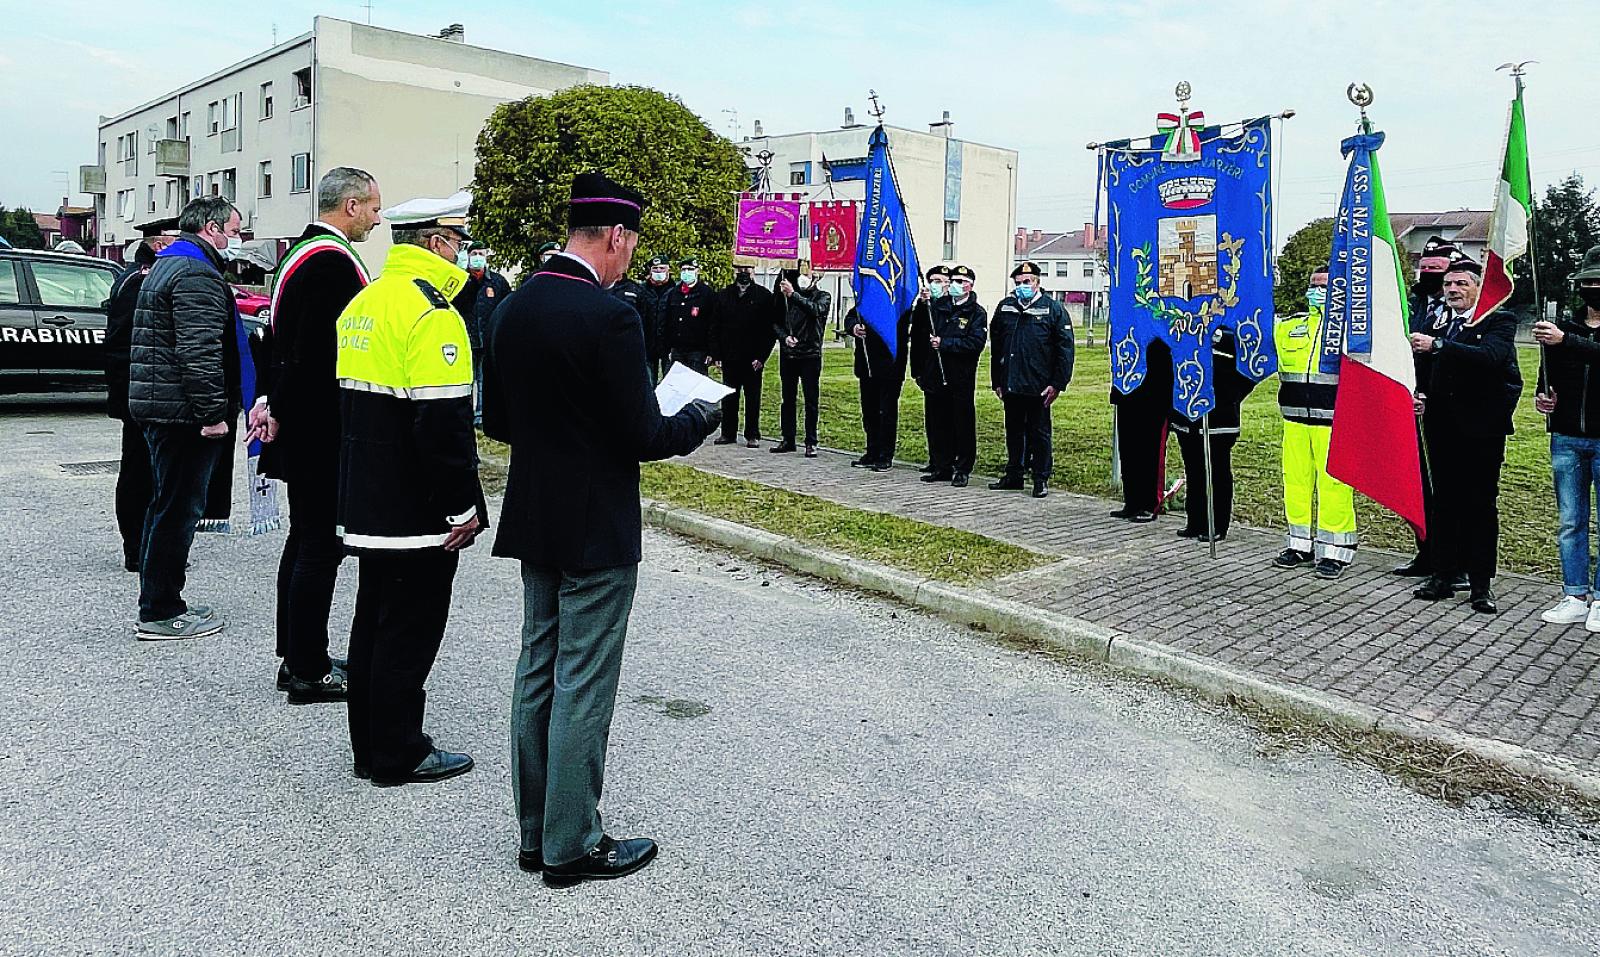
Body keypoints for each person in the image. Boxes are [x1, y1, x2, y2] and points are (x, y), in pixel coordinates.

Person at [482, 172, 722, 887]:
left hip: (536, 510)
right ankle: (572, 843)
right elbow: (644, 432)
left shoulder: (514, 306)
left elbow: (496, 421)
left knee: (537, 670)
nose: (631, 258)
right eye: (632, 244)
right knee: (582, 679)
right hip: (596, 520)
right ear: (615, 236)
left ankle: (534, 832)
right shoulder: (611, 316)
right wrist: (699, 418)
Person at [335, 193, 487, 786]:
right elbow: (443, 426)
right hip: (416, 507)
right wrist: (462, 507)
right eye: (456, 239)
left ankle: (369, 747)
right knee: (410, 630)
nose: (462, 250)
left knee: (372, 620)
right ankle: (399, 751)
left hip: (367, 496)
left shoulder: (366, 301)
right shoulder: (433, 313)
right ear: (433, 243)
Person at [251, 167, 380, 702]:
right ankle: (307, 666)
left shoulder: (300, 254)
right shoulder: (330, 264)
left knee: (304, 541)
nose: (377, 217)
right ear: (349, 206)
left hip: (301, 422)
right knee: (319, 548)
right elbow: (312, 354)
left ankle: (297, 653)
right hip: (320, 429)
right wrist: (279, 404)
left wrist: (271, 401)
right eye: (373, 206)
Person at [127, 197, 243, 639]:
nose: (237, 240)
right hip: (183, 413)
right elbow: (198, 351)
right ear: (211, 228)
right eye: (233, 231)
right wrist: (213, 414)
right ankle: (160, 611)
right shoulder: (195, 272)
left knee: (166, 505)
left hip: (164, 405)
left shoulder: (170, 263)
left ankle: (161, 601)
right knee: (178, 510)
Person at [1409, 259, 1522, 613]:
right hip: (1442, 427)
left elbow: (1490, 357)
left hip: (1481, 431)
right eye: (1448, 285)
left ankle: (1480, 584)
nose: (1453, 290)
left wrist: (1439, 346)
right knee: (1443, 502)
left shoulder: (1499, 320)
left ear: (1478, 287)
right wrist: (1422, 393)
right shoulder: (1439, 322)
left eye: (1461, 284)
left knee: (1479, 506)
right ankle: (1443, 573)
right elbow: (1427, 366)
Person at [1274, 265, 1357, 578]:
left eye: (1325, 286)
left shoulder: (1353, 330)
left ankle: (1335, 552)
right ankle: (1298, 545)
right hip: (1295, 420)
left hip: (1334, 422)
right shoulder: (1290, 325)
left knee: (1334, 485)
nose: (1317, 291)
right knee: (1294, 483)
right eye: (1313, 285)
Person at [1532, 245, 1600, 628]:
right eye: (1588, 282)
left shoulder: (1567, 336)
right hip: (1567, 437)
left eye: (1599, 282)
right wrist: (1543, 394)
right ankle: (1575, 593)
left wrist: (1566, 341)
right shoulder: (1568, 327)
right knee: (1571, 521)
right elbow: (1548, 374)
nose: (1593, 288)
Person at [1393, 237, 1468, 578]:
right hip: (1413, 401)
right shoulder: (1415, 302)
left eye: (1436, 270)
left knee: (1453, 489)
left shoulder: (1461, 308)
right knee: (1419, 485)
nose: (1429, 275)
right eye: (1424, 269)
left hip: (1448, 405)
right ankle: (1428, 551)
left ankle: (1458, 561)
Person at [106, 227, 178, 572]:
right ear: (158, 244)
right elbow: (134, 345)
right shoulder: (141, 281)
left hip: (136, 389)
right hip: (138, 392)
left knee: (145, 469)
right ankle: (137, 547)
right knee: (140, 471)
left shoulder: (133, 277)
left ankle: (143, 544)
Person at [988, 261, 1075, 498]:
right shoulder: (1006, 307)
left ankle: (1040, 478)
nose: (1022, 287)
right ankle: (1014, 474)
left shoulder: (1052, 309)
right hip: (1011, 382)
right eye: (1018, 283)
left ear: (1037, 282)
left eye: (1027, 282)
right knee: (1014, 431)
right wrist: (997, 379)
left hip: (1039, 386)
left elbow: (1065, 349)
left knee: (1039, 433)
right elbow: (997, 345)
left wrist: (1058, 383)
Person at [1168, 329, 1254, 542]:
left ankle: (1216, 523)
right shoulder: (1185, 328)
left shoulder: (1230, 334)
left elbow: (1249, 371)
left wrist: (1228, 396)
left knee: (1217, 472)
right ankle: (1196, 520)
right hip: (1187, 416)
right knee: (1193, 470)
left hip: (1219, 418)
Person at [920, 265, 987, 486]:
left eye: (961, 281)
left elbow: (975, 343)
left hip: (960, 377)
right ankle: (941, 465)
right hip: (936, 375)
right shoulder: (939, 307)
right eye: (953, 280)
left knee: (962, 423)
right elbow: (922, 329)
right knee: (938, 423)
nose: (956, 285)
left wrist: (945, 344)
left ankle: (962, 467)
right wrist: (923, 304)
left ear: (970, 286)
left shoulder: (976, 313)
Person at [1109, 340, 1174, 523]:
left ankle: (1149, 504)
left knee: (1150, 450)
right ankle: (1132, 501)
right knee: (1128, 449)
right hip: (1127, 389)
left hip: (1155, 391)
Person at [771, 264, 831, 457]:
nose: (805, 277)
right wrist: (784, 337)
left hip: (810, 355)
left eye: (809, 273)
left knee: (811, 400)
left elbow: (815, 311)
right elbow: (776, 322)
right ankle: (788, 438)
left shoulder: (823, 296)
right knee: (788, 399)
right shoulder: (786, 297)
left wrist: (793, 296)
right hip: (789, 354)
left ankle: (811, 441)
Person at [713, 263, 776, 447]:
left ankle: (752, 434)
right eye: (739, 269)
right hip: (729, 356)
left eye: (747, 269)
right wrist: (717, 354)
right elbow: (715, 327)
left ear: (753, 271)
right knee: (729, 398)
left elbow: (769, 331)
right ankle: (728, 433)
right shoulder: (723, 296)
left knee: (753, 398)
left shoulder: (764, 297)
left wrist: (762, 357)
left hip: (753, 359)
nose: (743, 273)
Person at [849, 300, 911, 472]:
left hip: (890, 367)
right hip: (867, 366)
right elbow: (851, 317)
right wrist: (854, 327)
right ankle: (872, 450)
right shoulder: (867, 298)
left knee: (887, 412)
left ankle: (885, 454)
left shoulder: (899, 302)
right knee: (869, 412)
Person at [908, 265, 953, 473]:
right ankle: (935, 459)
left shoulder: (951, 306)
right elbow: (916, 336)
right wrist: (916, 369)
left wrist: (932, 305)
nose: (936, 285)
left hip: (948, 371)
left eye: (940, 281)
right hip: (928, 369)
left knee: (947, 419)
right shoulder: (924, 306)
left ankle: (948, 461)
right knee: (932, 420)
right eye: (933, 281)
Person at [461, 245, 512, 425]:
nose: (477, 257)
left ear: (486, 256)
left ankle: (481, 415)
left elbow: (506, 308)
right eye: (473, 254)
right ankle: (465, 415)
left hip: (488, 339)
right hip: (466, 339)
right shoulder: (461, 280)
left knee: (484, 381)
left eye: (480, 254)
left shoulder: (497, 282)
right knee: (466, 381)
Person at [661, 257, 716, 374]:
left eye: (690, 269)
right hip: (677, 349)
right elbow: (668, 320)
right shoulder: (674, 293)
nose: (686, 272)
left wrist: (712, 352)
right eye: (683, 269)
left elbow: (713, 324)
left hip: (697, 351)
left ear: (697, 271)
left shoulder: (706, 293)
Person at [636, 256, 674, 382]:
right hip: (647, 344)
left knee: (670, 384)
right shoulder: (641, 290)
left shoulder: (675, 290)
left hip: (668, 345)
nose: (658, 271)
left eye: (662, 268)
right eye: (655, 269)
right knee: (648, 383)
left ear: (668, 269)